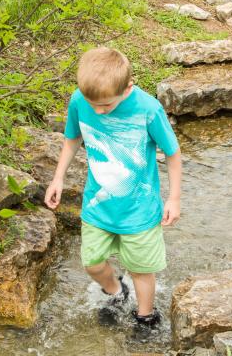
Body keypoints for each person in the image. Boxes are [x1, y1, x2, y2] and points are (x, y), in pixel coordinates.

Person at [44, 47, 182, 341]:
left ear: (127, 87)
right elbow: (71, 139)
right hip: (98, 205)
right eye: (93, 104)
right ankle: (116, 291)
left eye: (106, 105)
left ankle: (145, 316)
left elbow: (172, 152)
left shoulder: (148, 108)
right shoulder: (81, 99)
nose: (98, 111)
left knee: (141, 269)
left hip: (139, 210)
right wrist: (57, 179)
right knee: (92, 262)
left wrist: (173, 198)